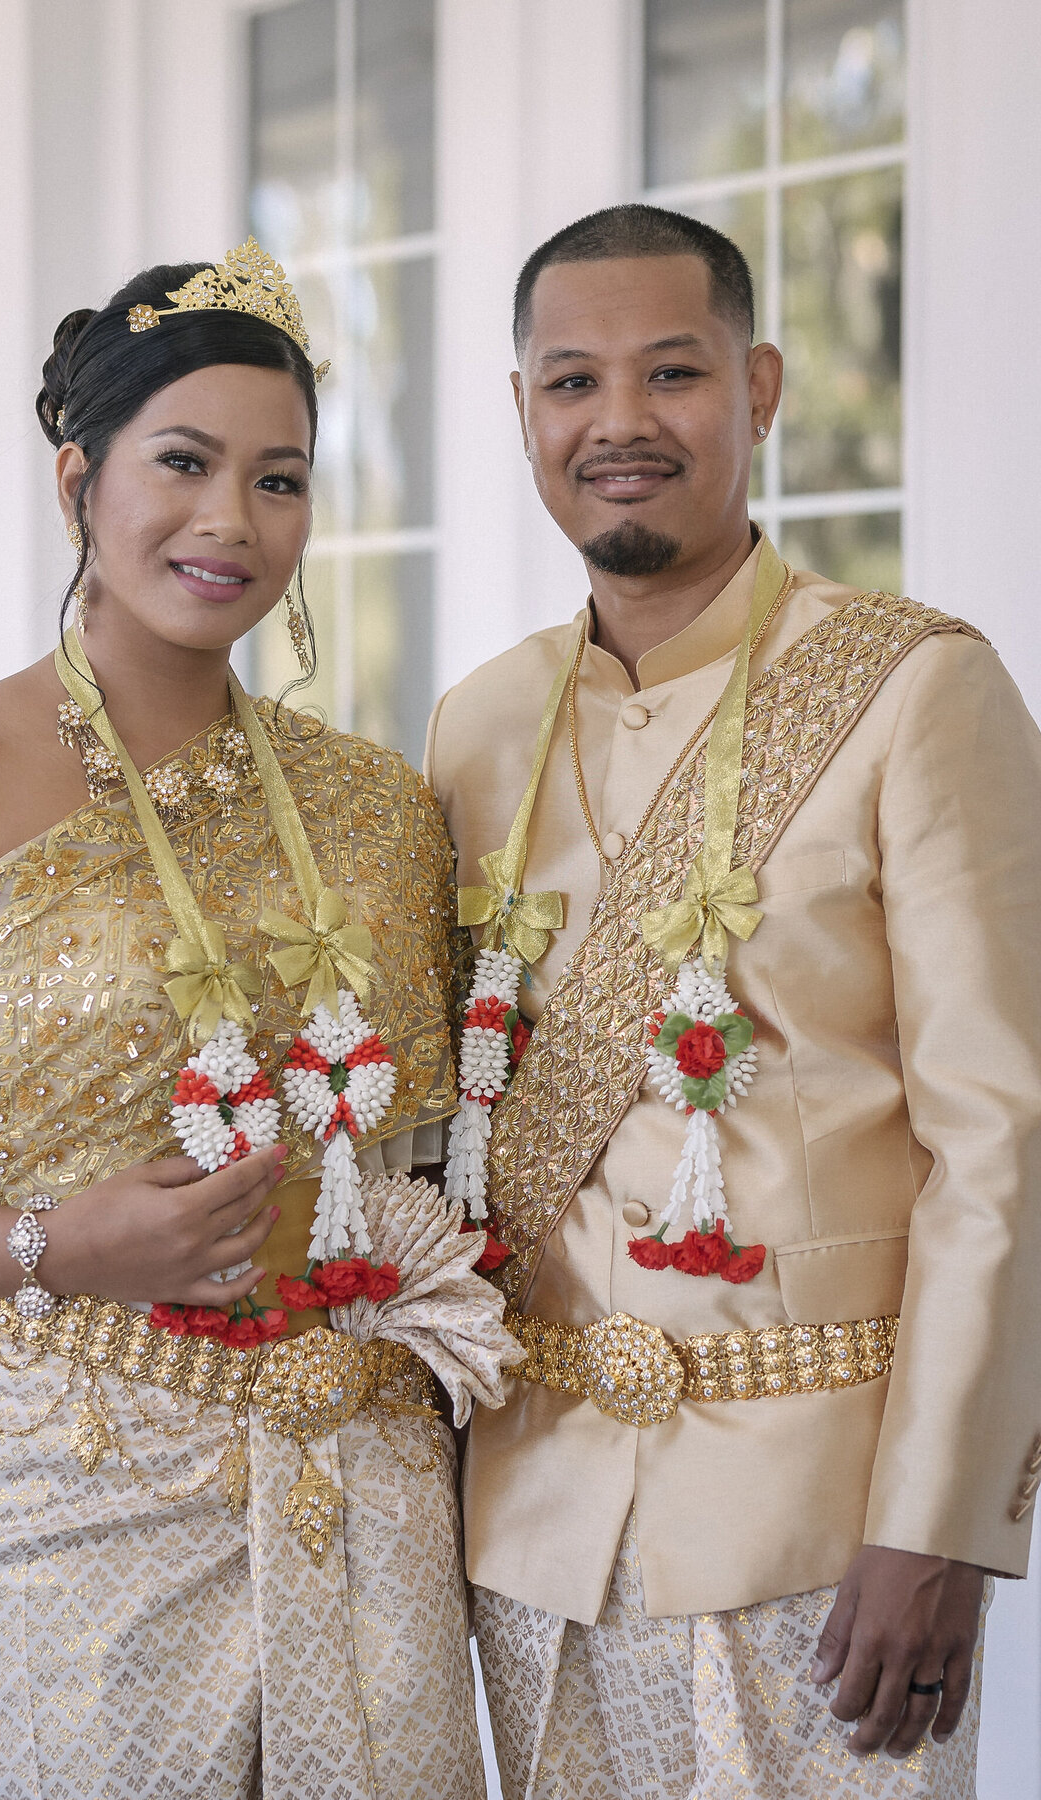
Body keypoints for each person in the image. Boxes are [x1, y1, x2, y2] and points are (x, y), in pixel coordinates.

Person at [0, 240, 518, 1800]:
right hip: (55, 1523)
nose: (232, 521)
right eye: (184, 464)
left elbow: (432, 1147)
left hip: (364, 1496)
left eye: (279, 479)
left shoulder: (376, 807)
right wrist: (46, 1248)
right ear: (77, 478)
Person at [427, 203, 1041, 1799]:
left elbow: (1004, 1136)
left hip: (823, 1539)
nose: (620, 424)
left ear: (759, 389)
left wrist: (942, 1522)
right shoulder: (476, 725)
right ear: (521, 414)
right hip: (532, 1536)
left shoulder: (918, 688)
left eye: (673, 373)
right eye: (572, 383)